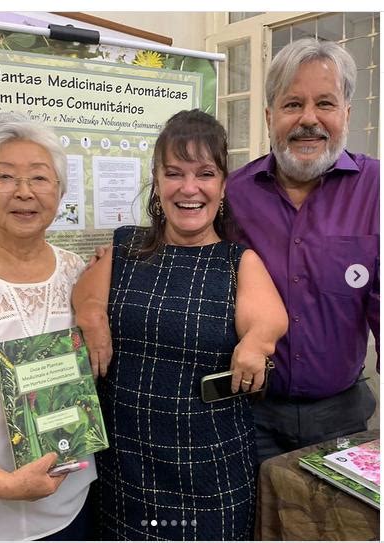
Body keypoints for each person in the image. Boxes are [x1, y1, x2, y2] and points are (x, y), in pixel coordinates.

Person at [72, 109, 288, 541]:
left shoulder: (236, 261)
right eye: (174, 173)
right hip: (126, 465)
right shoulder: (124, 245)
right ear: (157, 181)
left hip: (209, 471)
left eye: (205, 173)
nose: (189, 188)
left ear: (223, 185)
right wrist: (92, 314)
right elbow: (87, 293)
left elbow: (269, 318)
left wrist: (257, 341)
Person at [226, 38, 379, 464]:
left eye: (325, 104)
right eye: (293, 104)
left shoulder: (376, 189)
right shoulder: (234, 193)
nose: (308, 120)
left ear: (346, 113)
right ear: (270, 115)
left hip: (342, 414)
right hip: (248, 411)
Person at [0, 112, 97, 541]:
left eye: (39, 178)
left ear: (59, 193)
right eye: (4, 177)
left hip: (71, 508)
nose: (24, 192)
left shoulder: (81, 276)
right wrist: (1, 482)